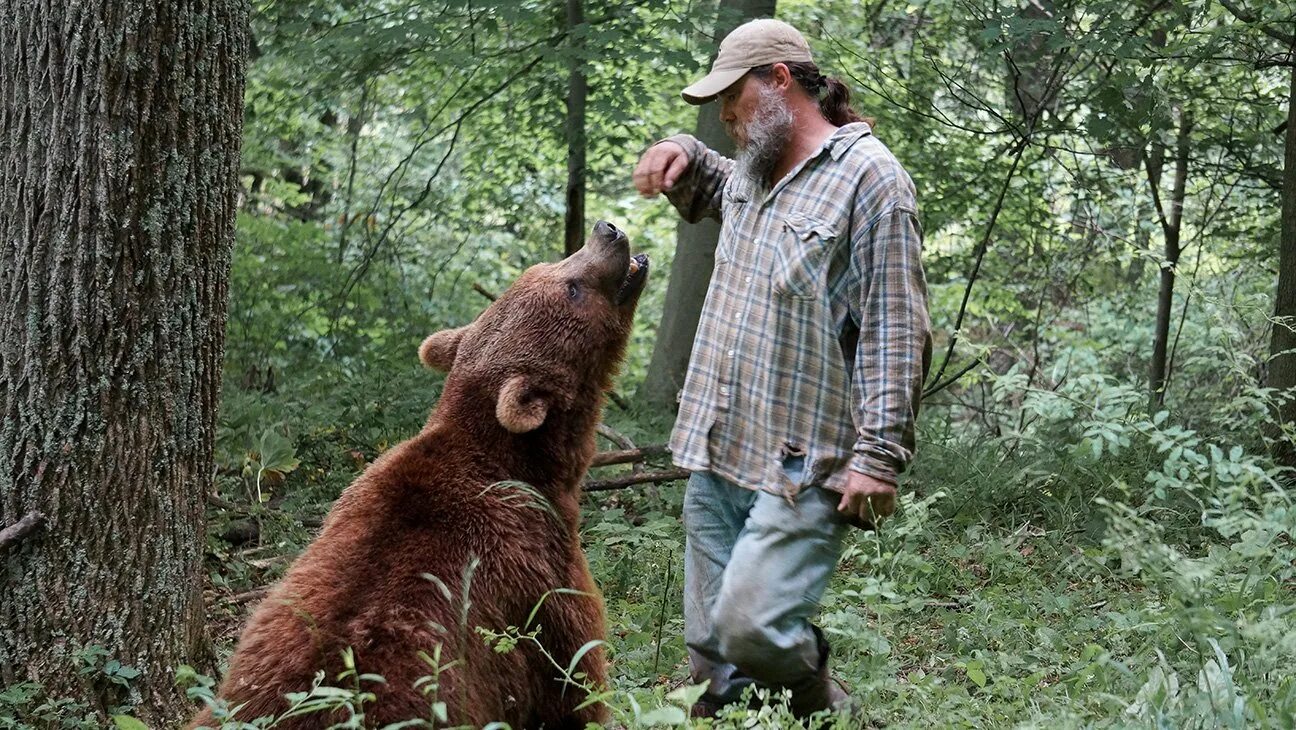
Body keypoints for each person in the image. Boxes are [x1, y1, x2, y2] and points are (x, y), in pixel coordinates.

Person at [631, 18, 932, 718]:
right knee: (710, 652)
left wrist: (880, 458)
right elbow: (713, 179)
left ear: (780, 80)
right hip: (721, 443)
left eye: (732, 97)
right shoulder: (756, 169)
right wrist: (674, 147)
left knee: (751, 630)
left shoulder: (872, 181)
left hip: (802, 461)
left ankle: (826, 701)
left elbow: (895, 325)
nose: (725, 115)